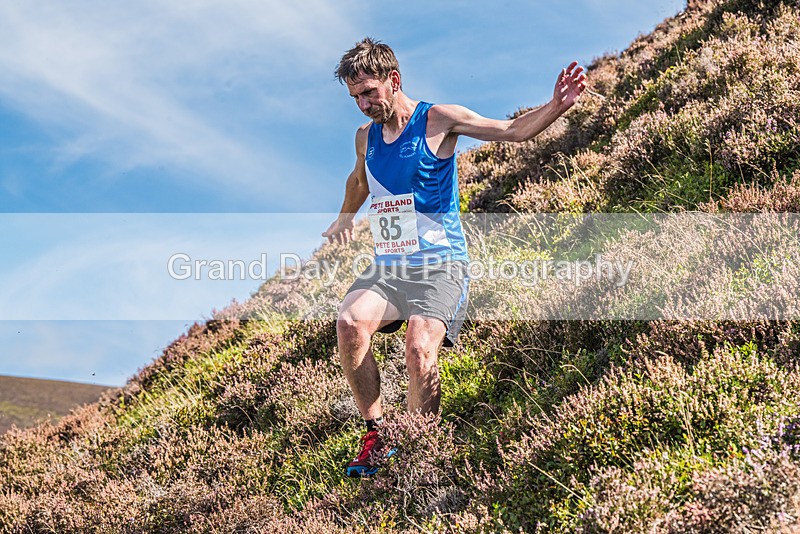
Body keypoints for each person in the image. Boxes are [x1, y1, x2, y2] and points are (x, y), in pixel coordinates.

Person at [322, 37, 586, 477]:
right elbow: (359, 180)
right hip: (391, 266)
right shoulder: (364, 136)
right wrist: (343, 219)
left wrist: (557, 105)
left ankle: (418, 448)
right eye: (355, 97)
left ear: (394, 80)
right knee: (349, 323)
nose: (363, 104)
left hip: (440, 264)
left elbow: (510, 131)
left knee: (420, 349)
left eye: (369, 92)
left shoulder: (438, 120)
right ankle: (377, 435)